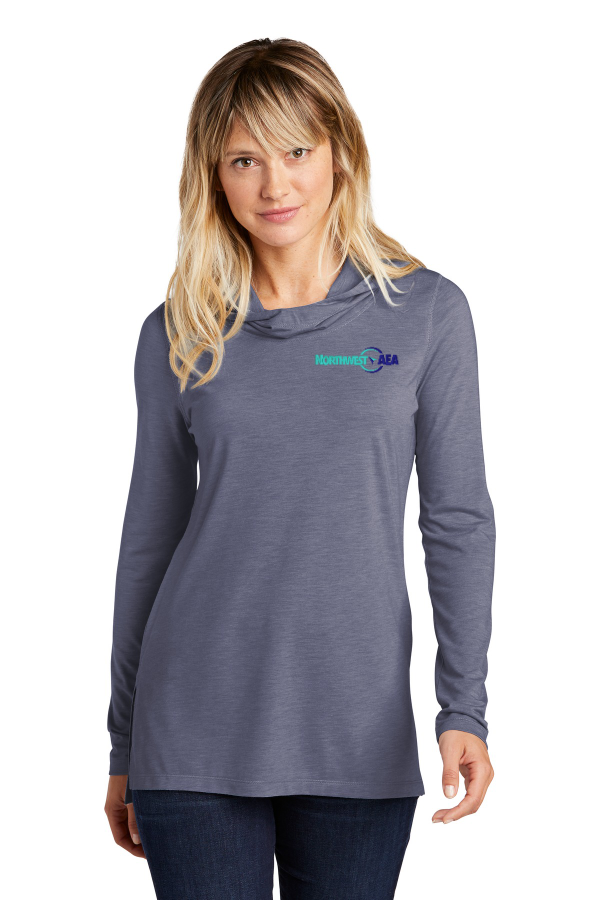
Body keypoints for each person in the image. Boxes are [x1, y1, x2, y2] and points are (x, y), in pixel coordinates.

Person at [104, 37, 496, 900]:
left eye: (295, 151)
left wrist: (462, 705)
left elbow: (458, 521)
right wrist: (124, 742)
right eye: (244, 160)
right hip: (191, 727)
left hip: (357, 728)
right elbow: (149, 540)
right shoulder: (178, 328)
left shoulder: (425, 314)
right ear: (213, 175)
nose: (274, 185)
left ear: (339, 153)